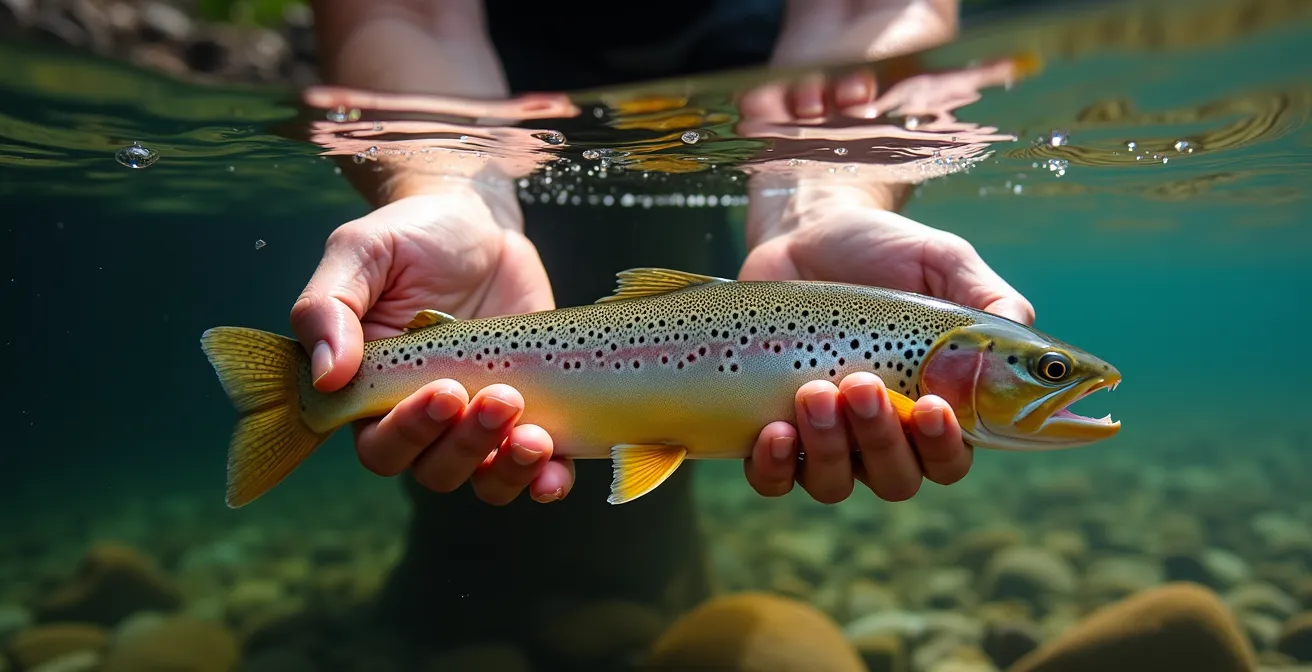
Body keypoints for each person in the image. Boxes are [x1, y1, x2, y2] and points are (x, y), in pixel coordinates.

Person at [291, 0, 1035, 665]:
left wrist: (822, 196)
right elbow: (407, 14)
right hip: (504, 87)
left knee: (553, 497)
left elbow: (862, 14)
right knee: (493, 510)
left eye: (1047, 373)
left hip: (754, 68)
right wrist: (446, 184)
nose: (1051, 381)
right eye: (1049, 372)